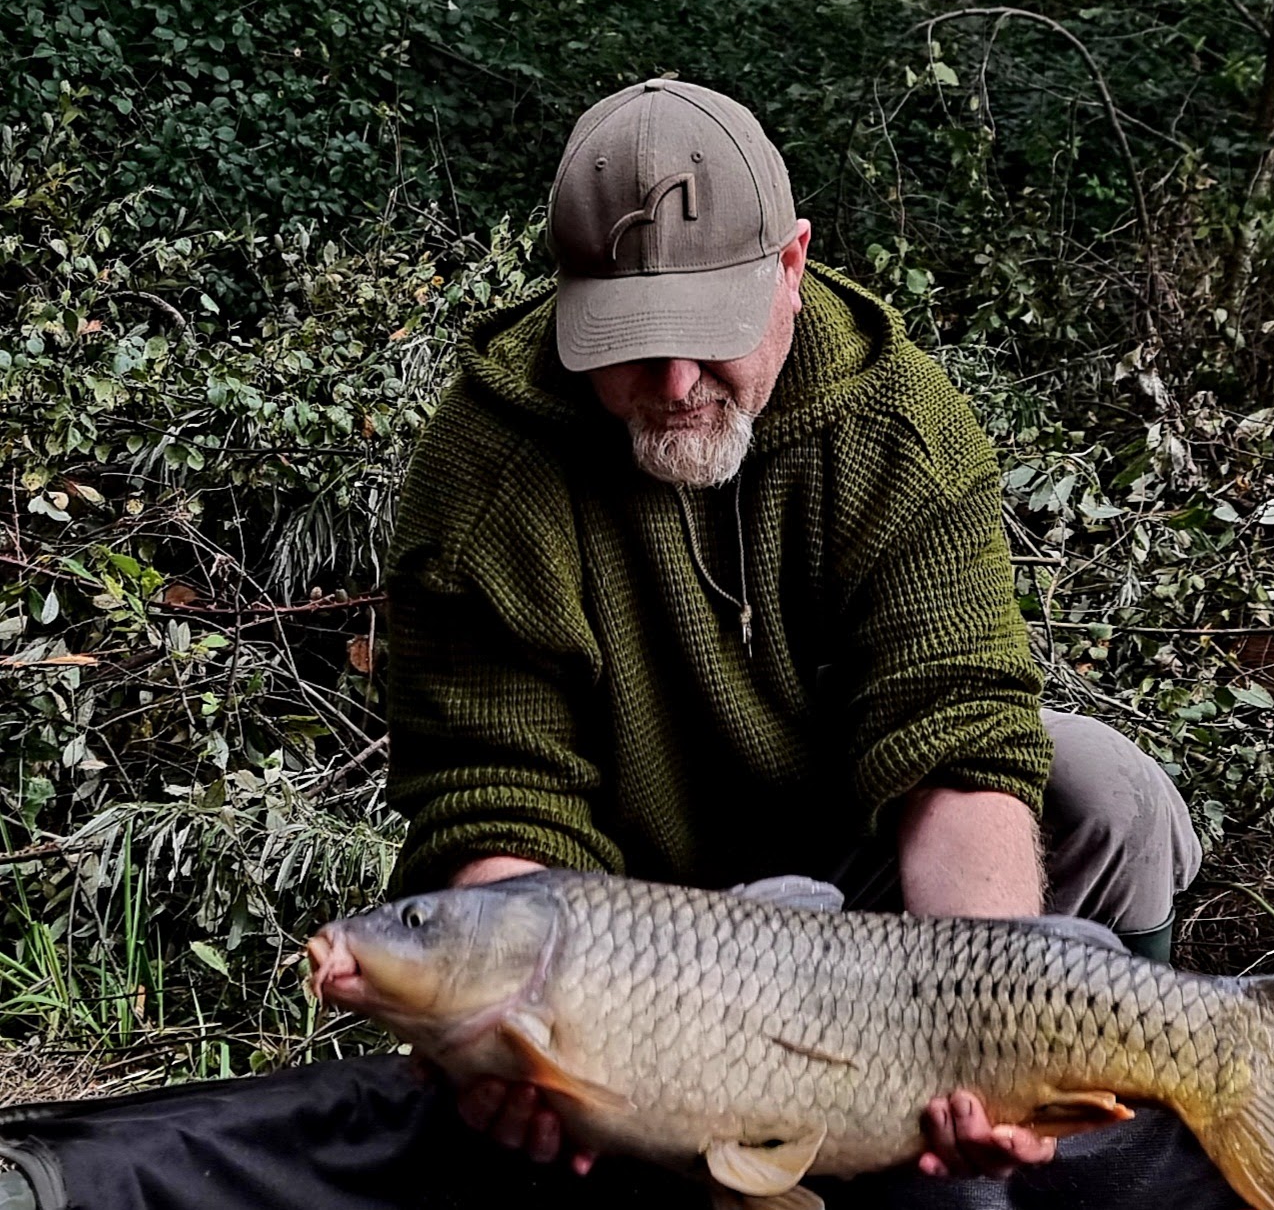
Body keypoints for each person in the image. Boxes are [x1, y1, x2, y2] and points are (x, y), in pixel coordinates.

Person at [380, 78, 1202, 1184]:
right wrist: (526, 1043)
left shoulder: (898, 426)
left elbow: (954, 739)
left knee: (1104, 788)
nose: (676, 382)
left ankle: (1119, 1115)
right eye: (631, 343)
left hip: (868, 912)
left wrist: (978, 1040)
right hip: (630, 943)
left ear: (792, 263)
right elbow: (496, 795)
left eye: (710, 335)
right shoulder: (485, 468)